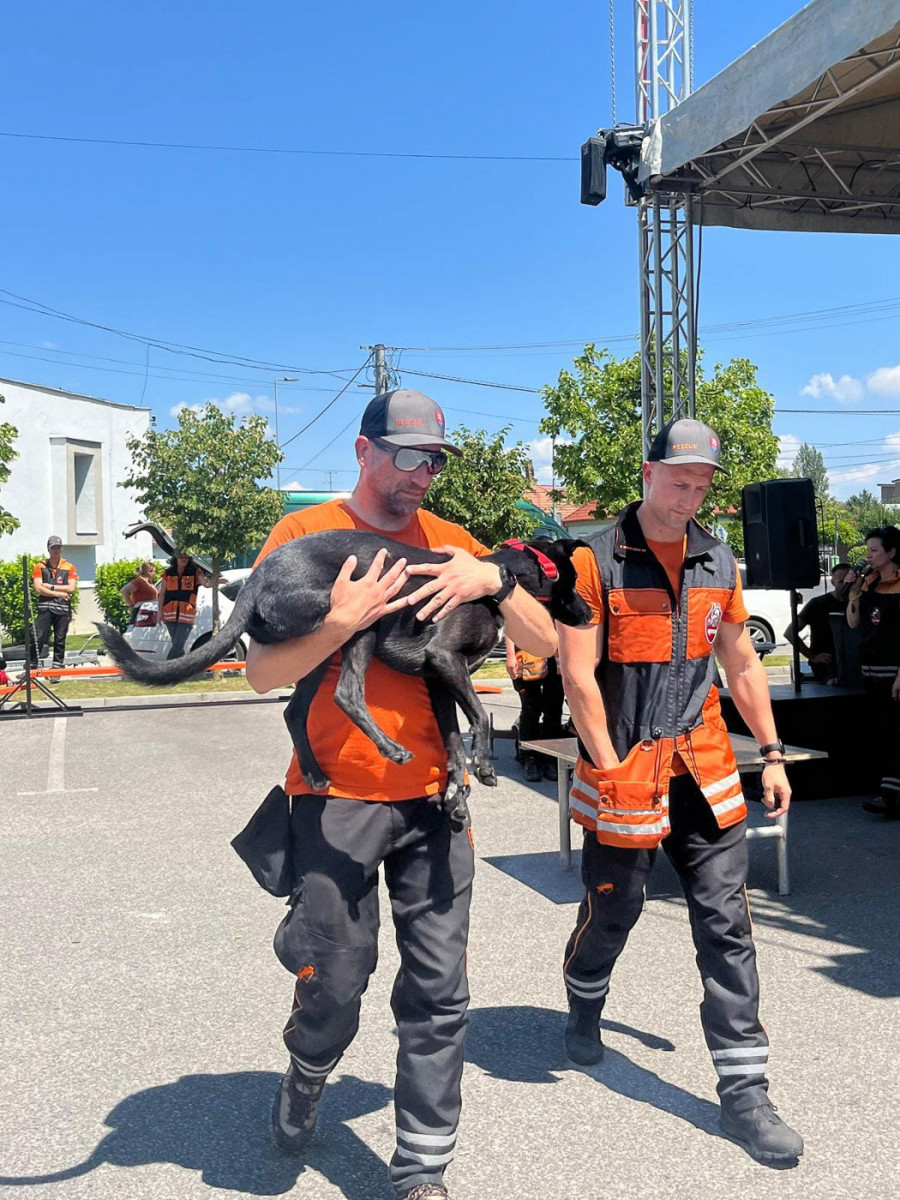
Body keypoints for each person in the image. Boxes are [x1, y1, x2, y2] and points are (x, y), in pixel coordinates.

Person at [245, 389, 556, 1200]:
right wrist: (341, 621)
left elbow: (545, 641)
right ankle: (307, 1068)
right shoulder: (306, 535)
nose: (423, 475)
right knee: (336, 980)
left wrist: (493, 578)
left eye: (434, 462)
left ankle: (422, 1168)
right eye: (409, 456)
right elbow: (261, 674)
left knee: (439, 991)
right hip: (335, 799)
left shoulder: (452, 544)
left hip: (433, 803)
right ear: (364, 450)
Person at [556, 418, 803, 1166]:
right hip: (625, 767)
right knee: (615, 908)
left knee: (727, 925)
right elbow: (576, 674)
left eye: (701, 484)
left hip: (704, 767)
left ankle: (745, 1095)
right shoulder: (593, 559)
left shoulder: (717, 559)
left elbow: (741, 663)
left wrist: (772, 753)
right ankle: (584, 998)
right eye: (678, 480)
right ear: (648, 472)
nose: (689, 495)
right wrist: (607, 768)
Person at [846, 526, 900, 818]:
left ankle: (890, 796)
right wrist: (854, 591)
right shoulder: (869, 583)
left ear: (892, 552)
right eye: (867, 550)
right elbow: (854, 623)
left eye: (874, 550)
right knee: (881, 731)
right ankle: (885, 791)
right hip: (871, 669)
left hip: (893, 670)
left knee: (894, 732)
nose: (868, 556)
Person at [784, 562, 855, 684]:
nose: (845, 585)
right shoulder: (817, 604)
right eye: (841, 581)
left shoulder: (859, 602)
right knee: (834, 683)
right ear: (833, 582)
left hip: (854, 661)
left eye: (849, 582)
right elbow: (790, 633)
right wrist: (812, 657)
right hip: (827, 664)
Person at [505, 636, 564, 781]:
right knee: (530, 710)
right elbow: (510, 626)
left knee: (554, 710)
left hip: (556, 659)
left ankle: (551, 757)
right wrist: (510, 656)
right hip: (526, 659)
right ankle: (529, 758)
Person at [31, 536, 79, 673]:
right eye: (53, 547)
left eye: (58, 547)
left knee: (60, 639)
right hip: (45, 607)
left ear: (62, 549)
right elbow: (38, 588)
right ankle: (32, 667)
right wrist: (59, 593)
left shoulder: (69, 567)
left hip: (62, 609)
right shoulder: (40, 566)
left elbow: (71, 588)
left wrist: (50, 587)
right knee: (38, 636)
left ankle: (56, 669)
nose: (56, 550)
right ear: (48, 549)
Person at [156, 553, 209, 659]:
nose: (184, 559)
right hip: (169, 613)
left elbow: (206, 584)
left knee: (178, 644)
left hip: (187, 613)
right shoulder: (168, 573)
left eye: (186, 557)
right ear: (176, 558)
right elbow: (162, 593)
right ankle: (183, 667)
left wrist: (216, 581)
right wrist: (159, 612)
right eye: (181, 557)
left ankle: (168, 666)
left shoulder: (195, 571)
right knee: (177, 645)